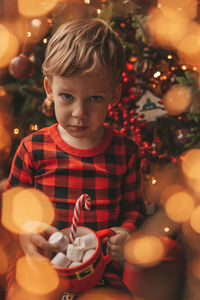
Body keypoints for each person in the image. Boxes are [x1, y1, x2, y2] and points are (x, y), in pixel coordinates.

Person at [4, 18, 146, 299]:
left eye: (94, 98)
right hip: (39, 267)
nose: (79, 112)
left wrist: (126, 232)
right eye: (67, 96)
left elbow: (134, 209)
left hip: (99, 273)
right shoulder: (33, 149)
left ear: (114, 95)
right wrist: (25, 233)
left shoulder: (125, 152)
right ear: (48, 89)